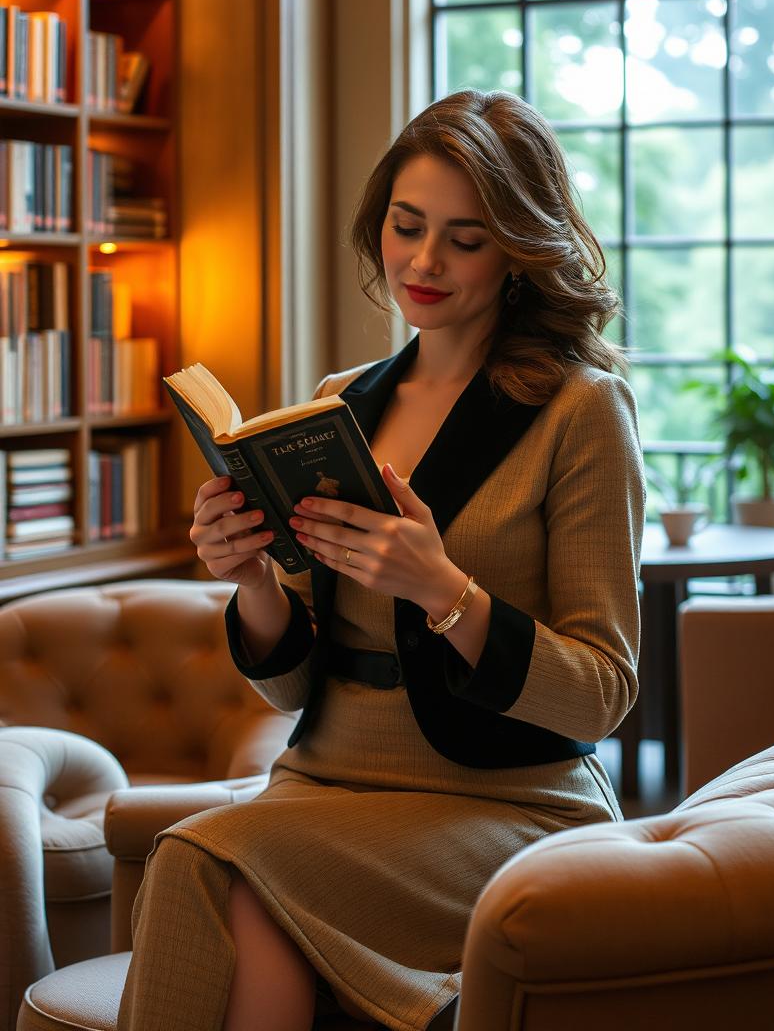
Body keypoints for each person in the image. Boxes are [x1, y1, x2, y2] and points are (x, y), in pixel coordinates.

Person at [117, 89, 645, 1031]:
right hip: (322, 783)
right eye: (407, 226)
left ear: (521, 250)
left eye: (465, 239)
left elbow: (603, 690)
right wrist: (247, 578)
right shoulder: (338, 405)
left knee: (205, 855)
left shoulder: (580, 410)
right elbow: (293, 688)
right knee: (223, 879)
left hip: (505, 803)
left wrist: (443, 591)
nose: (424, 261)